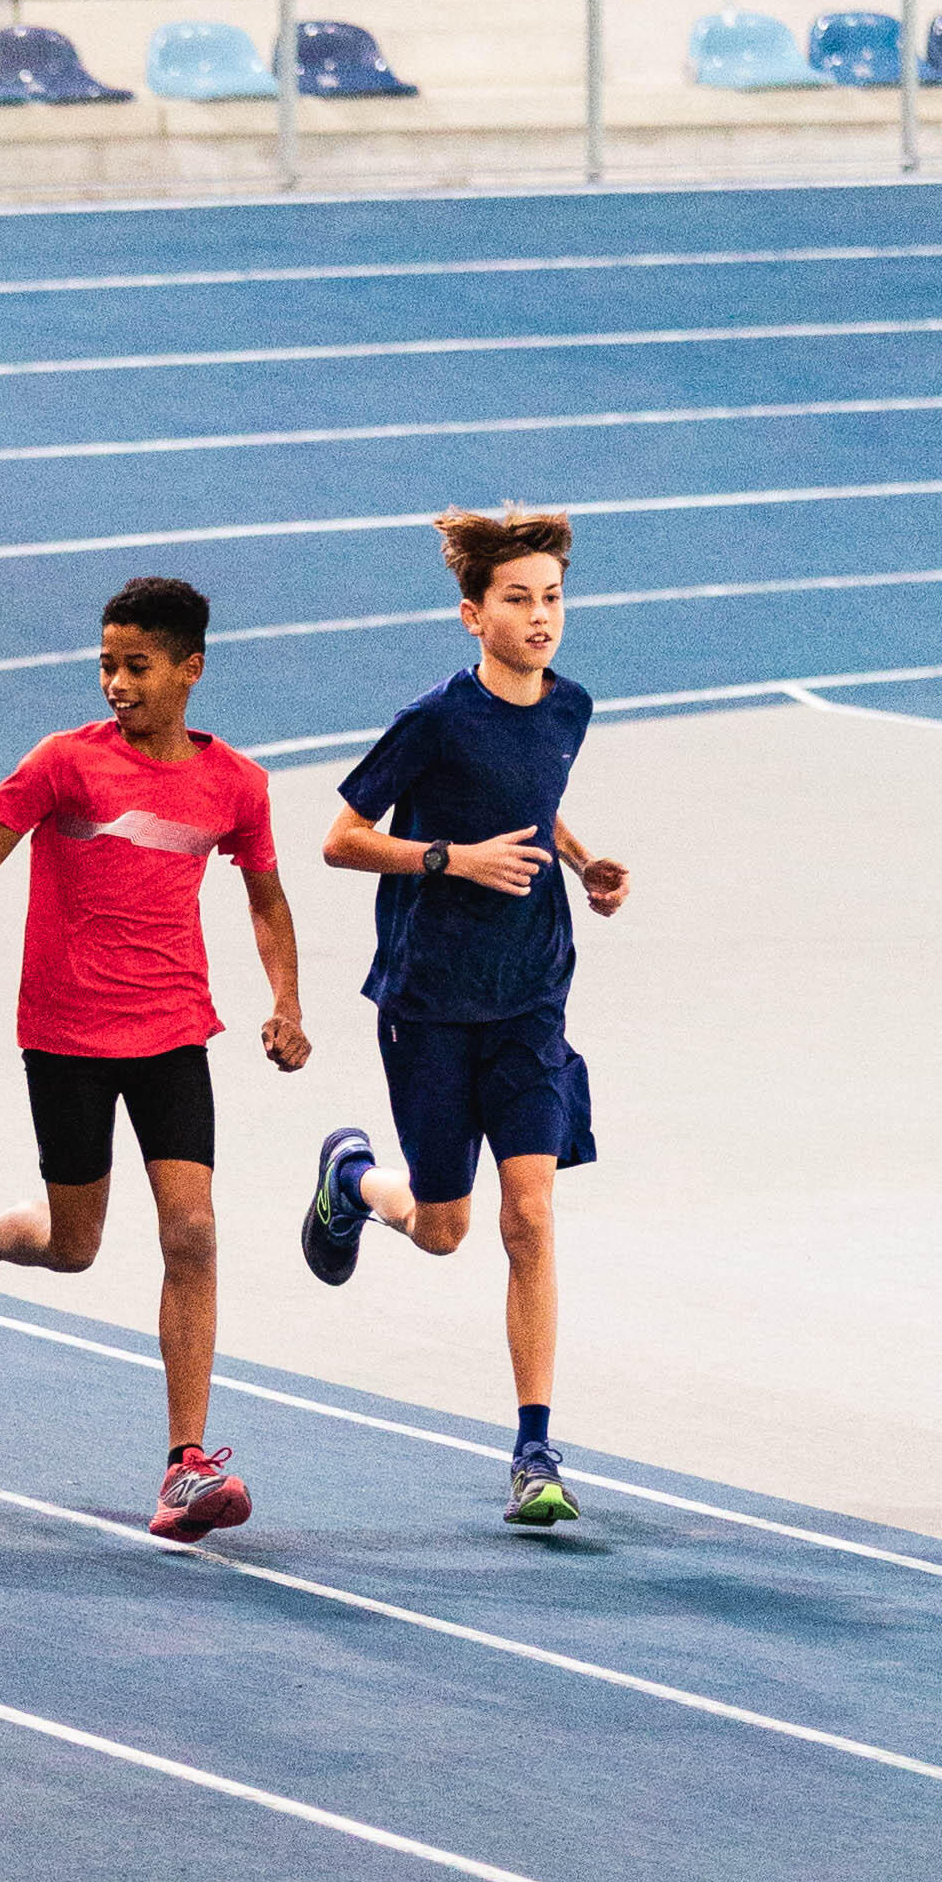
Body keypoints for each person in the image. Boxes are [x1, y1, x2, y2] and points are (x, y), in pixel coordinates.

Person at [0, 573, 308, 1544]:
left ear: (190, 670)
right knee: (75, 1243)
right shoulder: (62, 765)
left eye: (136, 667)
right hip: (64, 1036)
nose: (115, 684)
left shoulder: (235, 785)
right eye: (105, 664)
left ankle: (185, 1465)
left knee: (192, 1233)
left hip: (175, 1030)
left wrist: (285, 1003)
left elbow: (266, 900)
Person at [294, 507, 628, 1531]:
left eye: (552, 599)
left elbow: (538, 791)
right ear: (470, 615)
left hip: (531, 998)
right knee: (444, 1229)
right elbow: (341, 839)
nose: (540, 618)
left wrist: (581, 861)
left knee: (528, 1217)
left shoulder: (569, 706)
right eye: (517, 601)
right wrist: (451, 858)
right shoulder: (433, 721)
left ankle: (533, 1449)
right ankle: (352, 1183)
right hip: (430, 1001)